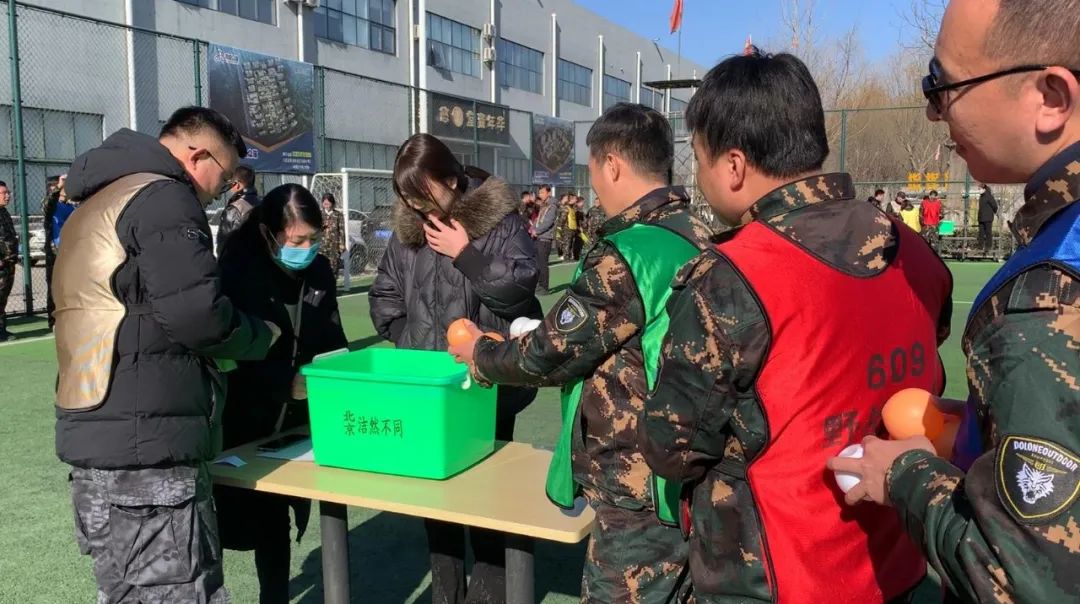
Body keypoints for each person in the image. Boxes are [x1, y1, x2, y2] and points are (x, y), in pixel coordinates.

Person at [640, 50, 952, 603]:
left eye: (701, 160)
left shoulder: (733, 274)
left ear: (733, 166)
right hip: (895, 558)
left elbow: (672, 444)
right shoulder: (913, 252)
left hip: (777, 573)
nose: (699, 178)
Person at [827, 1, 1080, 602]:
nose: (933, 111)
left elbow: (1021, 578)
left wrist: (905, 476)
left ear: (1050, 97)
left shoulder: (1047, 299)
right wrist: (979, 432)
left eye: (942, 87)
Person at [450, 103, 714, 603]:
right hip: (689, 468)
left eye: (592, 171)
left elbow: (550, 352)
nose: (593, 187)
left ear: (612, 165)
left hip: (639, 482)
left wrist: (481, 354)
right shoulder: (696, 233)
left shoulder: (629, 254)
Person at [55, 106, 280, 603]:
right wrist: (258, 336)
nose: (223, 189)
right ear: (197, 156)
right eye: (224, 174)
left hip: (93, 437)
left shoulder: (95, 202)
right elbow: (197, 315)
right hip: (150, 449)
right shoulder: (165, 197)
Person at [369, 133, 541, 604]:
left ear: (450, 179)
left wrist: (466, 254)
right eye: (407, 197)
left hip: (487, 383)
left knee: (488, 496)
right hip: (431, 388)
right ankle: (446, 594)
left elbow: (521, 291)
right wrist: (410, 340)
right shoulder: (409, 230)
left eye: (422, 193)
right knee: (437, 502)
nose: (416, 205)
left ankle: (489, 592)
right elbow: (384, 295)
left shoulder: (500, 220)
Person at [215, 184, 347, 604]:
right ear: (269, 233)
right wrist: (282, 382)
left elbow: (332, 336)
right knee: (222, 521)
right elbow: (228, 352)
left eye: (314, 239)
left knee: (276, 523)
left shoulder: (319, 271)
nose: (307, 249)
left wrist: (333, 372)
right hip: (241, 418)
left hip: (294, 421)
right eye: (297, 240)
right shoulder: (236, 272)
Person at [44, 175, 77, 330]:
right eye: (64, 185)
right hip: (55, 254)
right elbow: (48, 203)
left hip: (72, 253)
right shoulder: (50, 207)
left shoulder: (71, 207)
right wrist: (59, 187)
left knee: (72, 286)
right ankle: (54, 321)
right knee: (55, 288)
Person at [216, 164, 259, 256]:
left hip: (238, 261)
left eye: (230, 183)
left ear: (237, 184)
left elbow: (224, 244)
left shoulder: (235, 208)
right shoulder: (262, 203)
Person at [532, 184, 557, 294]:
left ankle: (544, 287)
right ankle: (539, 284)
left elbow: (548, 222)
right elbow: (538, 220)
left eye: (542, 192)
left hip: (545, 238)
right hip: (539, 238)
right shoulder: (544, 205)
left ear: (549, 193)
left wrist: (536, 231)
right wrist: (533, 229)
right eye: (539, 192)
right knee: (537, 263)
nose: (540, 194)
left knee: (543, 264)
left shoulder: (552, 206)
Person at [0, 181, 16, 341]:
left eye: (8, 192)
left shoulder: (4, 212)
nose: (7, 196)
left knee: (2, 297)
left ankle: (2, 330)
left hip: (8, 264)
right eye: (3, 193)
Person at [319, 192, 346, 275]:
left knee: (333, 268)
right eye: (324, 202)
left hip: (334, 246)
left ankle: (332, 281)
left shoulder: (338, 215)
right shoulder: (319, 214)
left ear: (332, 203)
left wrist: (342, 245)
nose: (326, 204)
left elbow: (341, 231)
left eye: (328, 202)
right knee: (320, 267)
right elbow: (315, 229)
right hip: (321, 246)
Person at [977, 183, 998, 255]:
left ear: (984, 189)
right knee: (981, 232)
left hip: (988, 218)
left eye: (980, 189)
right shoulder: (981, 197)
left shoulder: (989, 196)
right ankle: (980, 246)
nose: (979, 190)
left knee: (988, 232)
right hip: (981, 218)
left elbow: (995, 205)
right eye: (978, 189)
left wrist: (994, 212)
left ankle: (988, 246)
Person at [553, 193, 572, 260]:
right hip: (559, 226)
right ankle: (561, 254)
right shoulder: (558, 206)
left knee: (563, 241)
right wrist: (559, 226)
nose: (568, 199)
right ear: (563, 198)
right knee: (559, 240)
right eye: (566, 198)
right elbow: (562, 218)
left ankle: (563, 255)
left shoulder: (565, 206)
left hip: (563, 227)